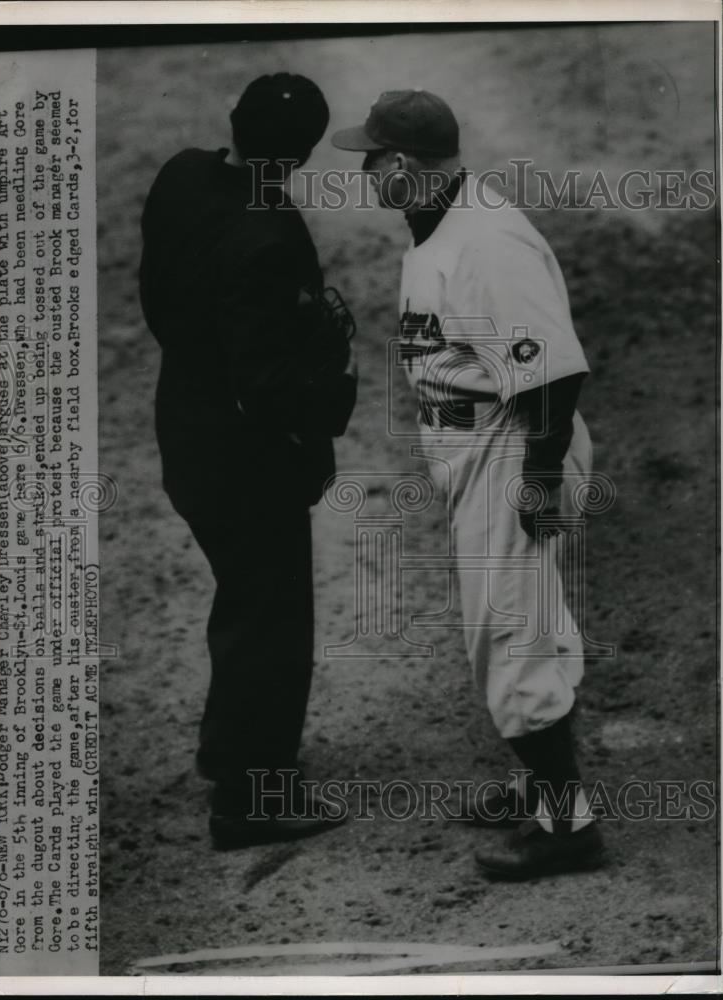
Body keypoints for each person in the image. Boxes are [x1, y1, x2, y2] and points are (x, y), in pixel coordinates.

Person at [332, 89, 605, 879]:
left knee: (511, 640)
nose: (367, 173)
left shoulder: (487, 243)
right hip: (482, 450)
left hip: (516, 448)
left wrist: (540, 479)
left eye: (373, 160)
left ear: (406, 165)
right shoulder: (437, 224)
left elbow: (552, 372)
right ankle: (538, 791)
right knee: (519, 629)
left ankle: (569, 828)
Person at [140, 73, 357, 848]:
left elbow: (161, 303)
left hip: (185, 427)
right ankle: (249, 797)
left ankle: (232, 756)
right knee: (269, 619)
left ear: (233, 120)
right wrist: (324, 410)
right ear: (299, 154)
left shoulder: (181, 176)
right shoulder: (267, 236)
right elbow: (267, 388)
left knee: (245, 602)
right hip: (245, 457)